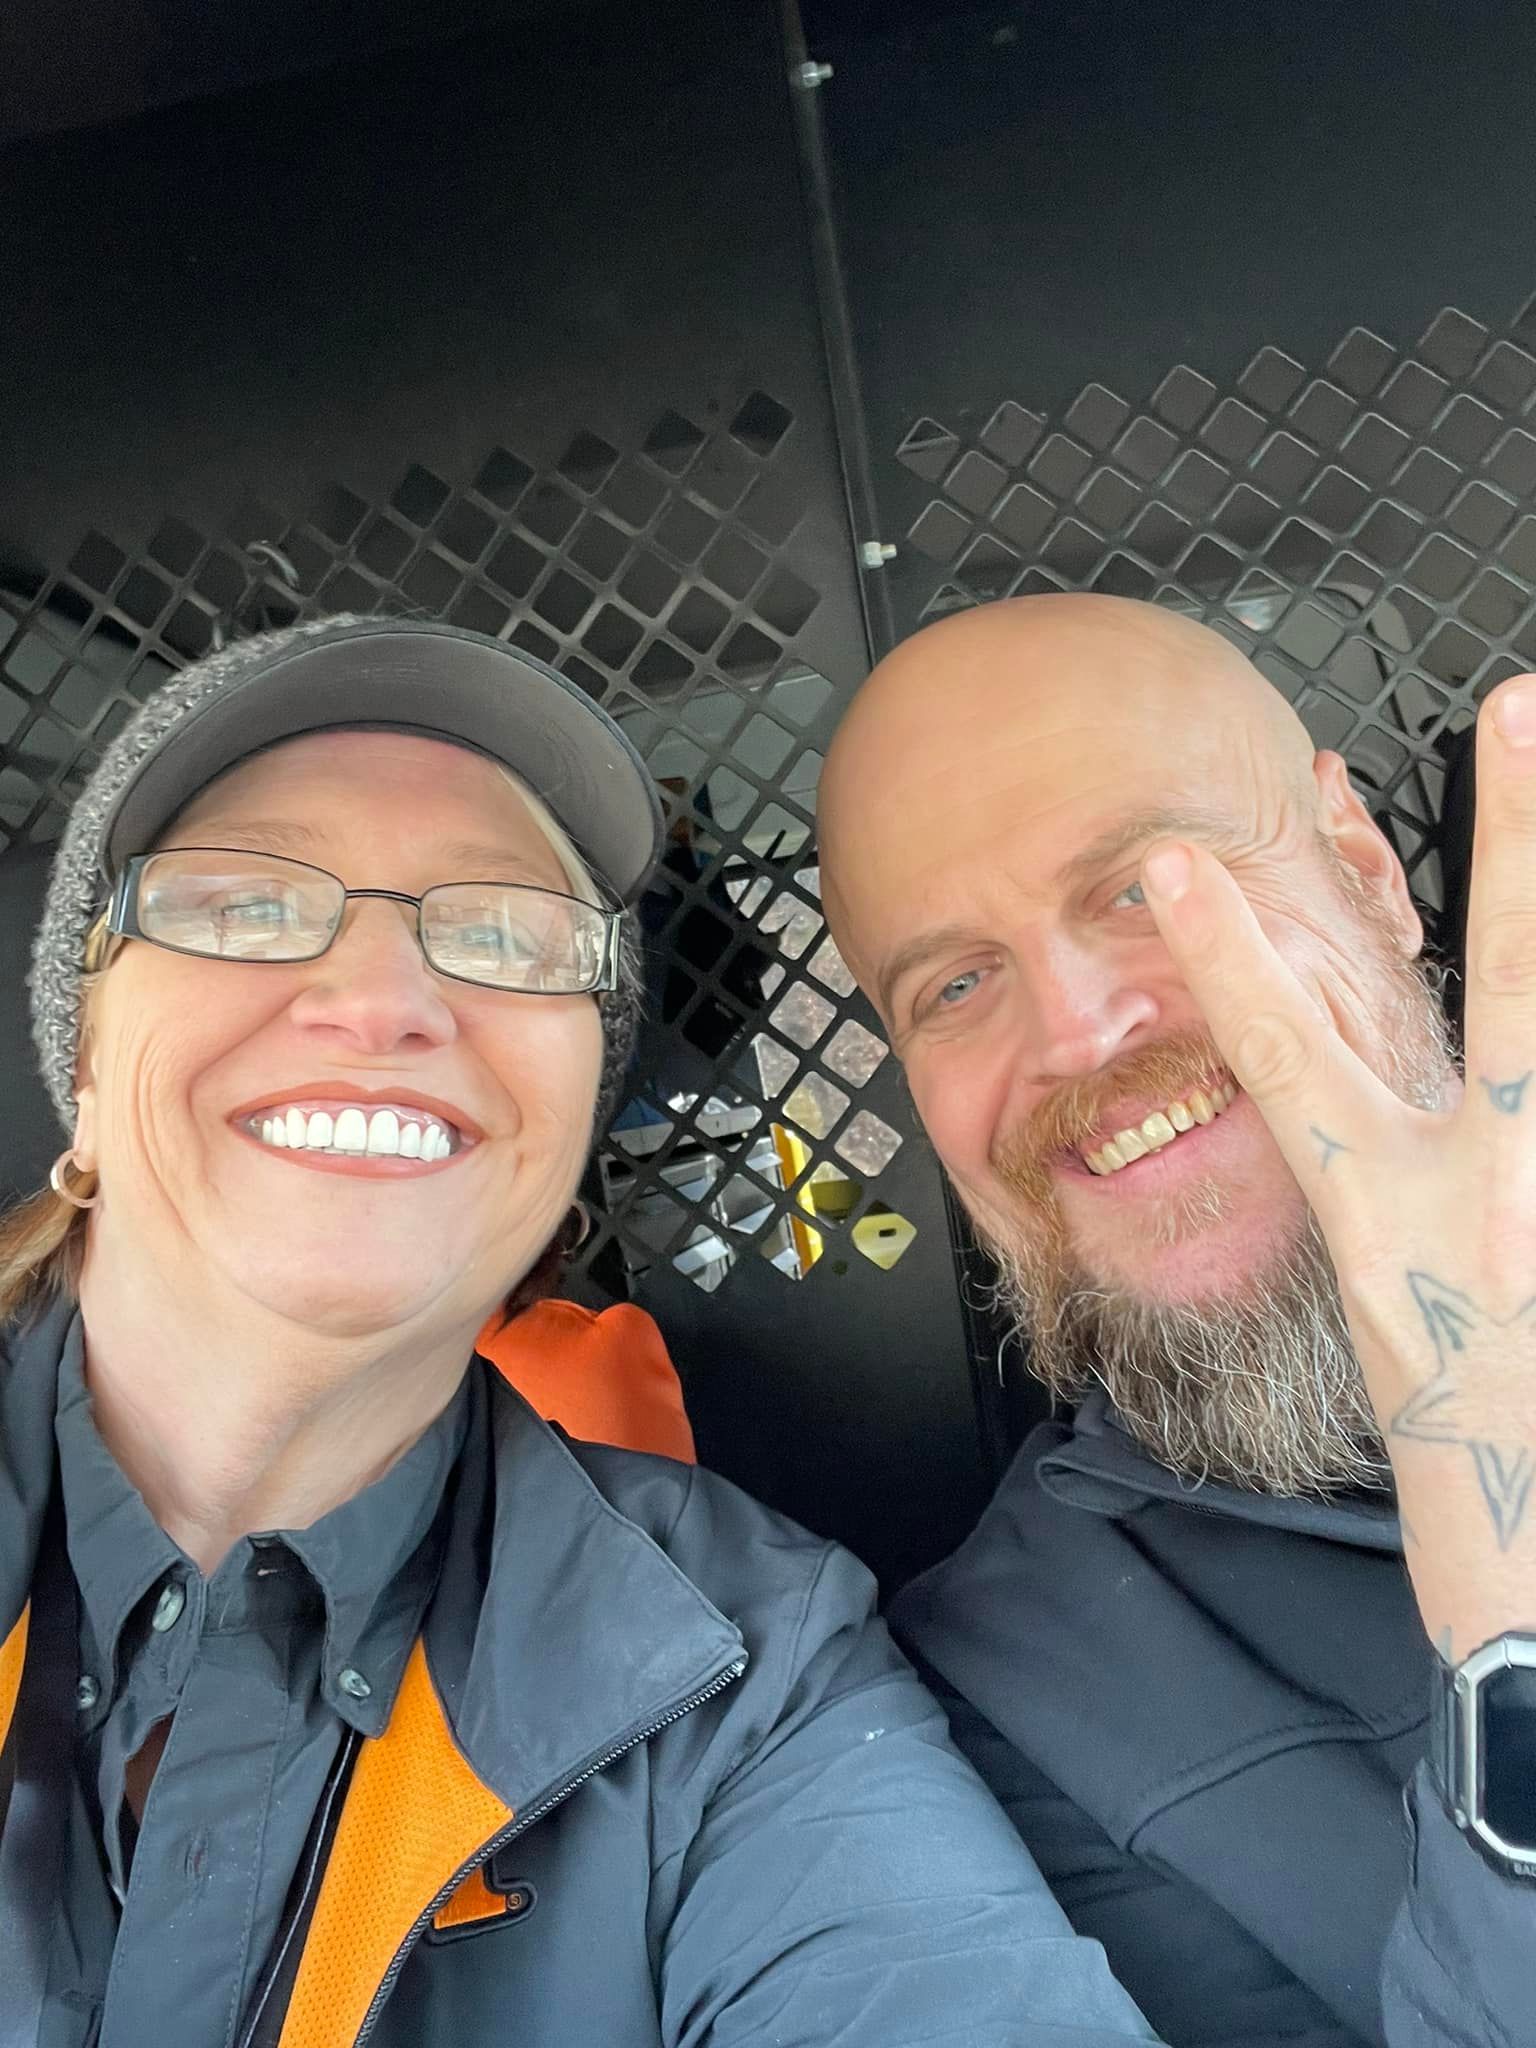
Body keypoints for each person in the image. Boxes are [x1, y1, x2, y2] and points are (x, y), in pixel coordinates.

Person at [0, 615, 1158, 2048]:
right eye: (241, 901)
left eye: (500, 930)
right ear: (86, 1058)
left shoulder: (746, 1674)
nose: (381, 1001)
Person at [818, 593, 1536, 2048]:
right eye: (956, 983)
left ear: (1361, 868)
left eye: (1149, 883)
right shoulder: (999, 1704)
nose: (1078, 1032)